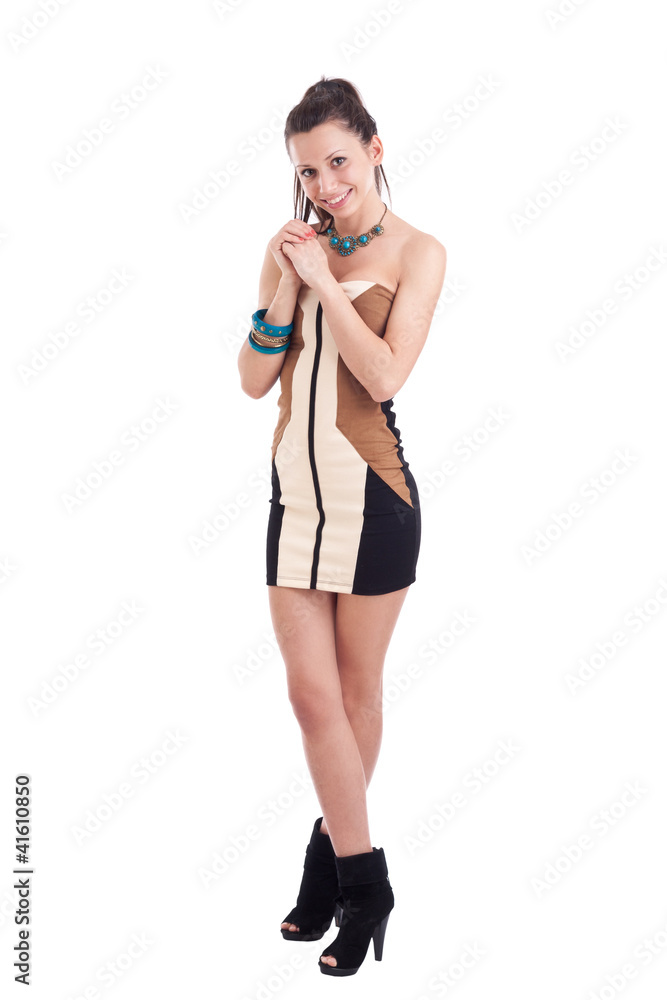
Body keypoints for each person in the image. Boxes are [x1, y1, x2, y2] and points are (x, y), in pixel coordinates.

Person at [237, 76, 447, 976]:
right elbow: (254, 380)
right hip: (293, 502)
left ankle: (336, 875)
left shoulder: (418, 252)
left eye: (336, 161)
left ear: (373, 149)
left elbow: (386, 376)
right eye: (306, 172)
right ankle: (363, 880)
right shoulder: (288, 248)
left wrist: (326, 282)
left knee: (355, 695)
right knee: (308, 699)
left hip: (374, 502)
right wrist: (291, 283)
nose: (324, 185)